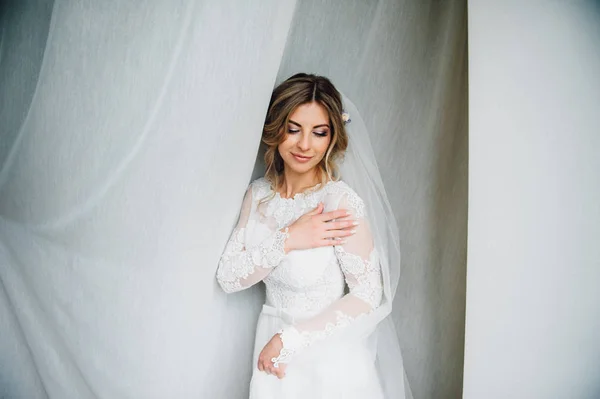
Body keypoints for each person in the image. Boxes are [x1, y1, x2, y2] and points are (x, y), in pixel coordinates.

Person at [216, 73, 408, 399]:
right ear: (275, 129)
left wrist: (290, 340)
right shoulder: (259, 195)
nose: (305, 145)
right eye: (293, 129)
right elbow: (228, 278)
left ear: (332, 138)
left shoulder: (338, 202)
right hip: (274, 361)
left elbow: (367, 295)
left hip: (328, 363)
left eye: (319, 133)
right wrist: (289, 237)